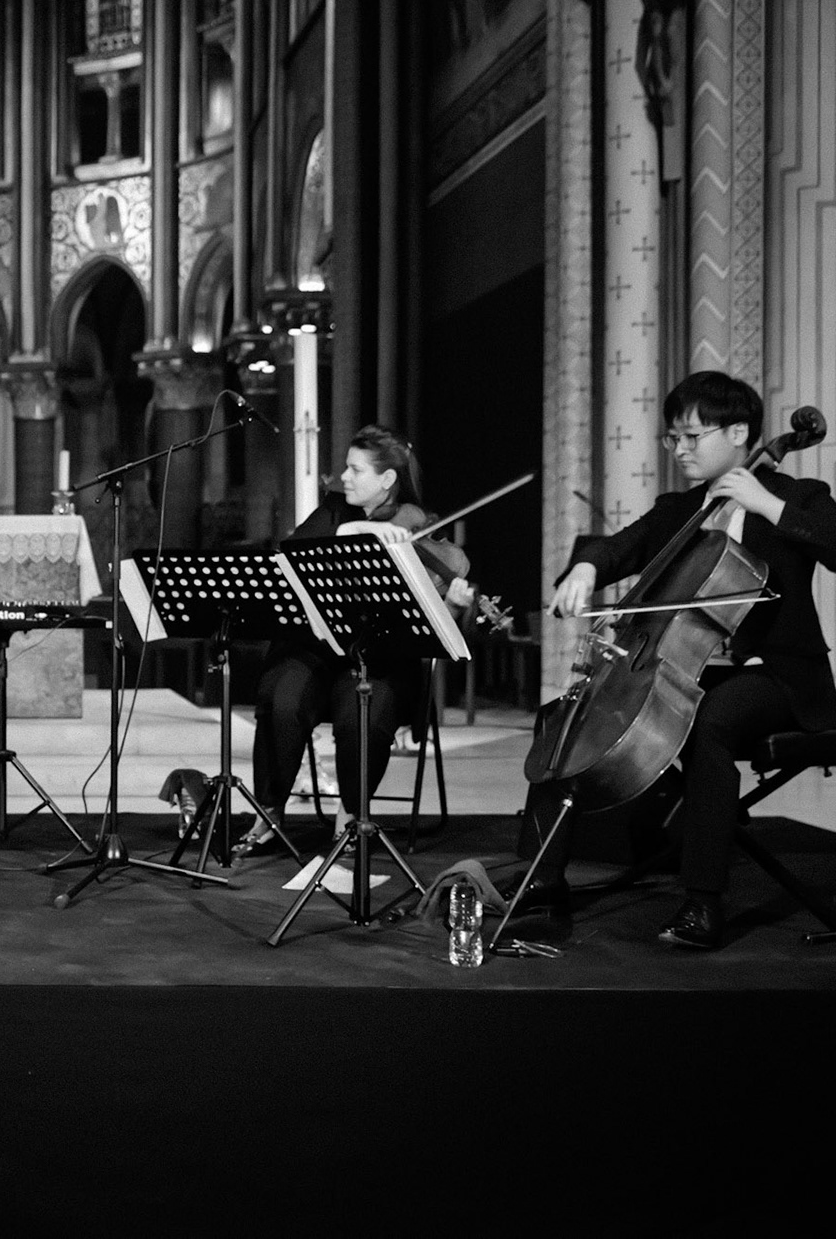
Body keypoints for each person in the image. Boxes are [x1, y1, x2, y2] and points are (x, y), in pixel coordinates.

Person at [521, 371, 836, 949]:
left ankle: (703, 902)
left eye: (692, 436)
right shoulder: (682, 509)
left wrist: (767, 505)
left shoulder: (800, 496)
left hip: (780, 676)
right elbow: (620, 546)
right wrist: (586, 567)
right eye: (673, 438)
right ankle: (541, 880)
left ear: (738, 432)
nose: (680, 449)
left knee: (707, 720)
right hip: (693, 669)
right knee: (564, 715)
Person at [240, 424, 473, 856]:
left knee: (362, 715)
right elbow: (290, 553)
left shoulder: (415, 528)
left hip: (379, 658)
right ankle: (267, 813)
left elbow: (436, 630)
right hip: (316, 649)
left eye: (355, 470)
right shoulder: (334, 512)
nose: (343, 477)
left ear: (387, 480)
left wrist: (455, 605)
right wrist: (355, 532)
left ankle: (351, 815)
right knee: (283, 699)